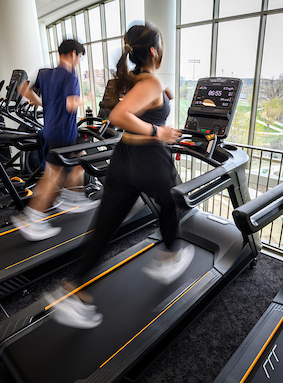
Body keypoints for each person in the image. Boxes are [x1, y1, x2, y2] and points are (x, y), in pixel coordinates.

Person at [45, 23, 191, 329]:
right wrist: (158, 129)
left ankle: (73, 288)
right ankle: (169, 256)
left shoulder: (136, 79)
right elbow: (118, 116)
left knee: (104, 228)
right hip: (150, 159)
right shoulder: (147, 84)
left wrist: (161, 96)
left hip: (124, 159)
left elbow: (132, 103)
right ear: (153, 51)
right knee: (173, 202)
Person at [11, 39, 99, 241]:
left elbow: (22, 89)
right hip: (64, 132)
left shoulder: (45, 73)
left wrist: (42, 103)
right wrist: (88, 98)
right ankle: (33, 217)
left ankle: (72, 196)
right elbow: (70, 105)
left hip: (50, 130)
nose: (79, 61)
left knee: (81, 160)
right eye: (80, 57)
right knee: (53, 176)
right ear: (73, 54)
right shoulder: (70, 76)